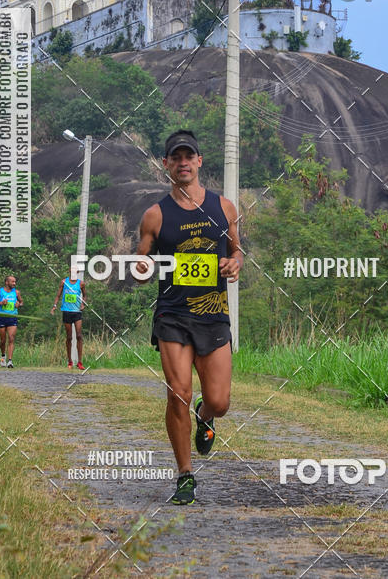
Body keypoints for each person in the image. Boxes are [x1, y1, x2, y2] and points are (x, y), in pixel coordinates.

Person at [136, 129, 243, 505]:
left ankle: (206, 416)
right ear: (166, 165)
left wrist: (234, 264)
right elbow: (142, 258)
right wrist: (142, 267)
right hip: (173, 315)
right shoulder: (155, 214)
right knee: (177, 393)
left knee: (220, 401)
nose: (183, 163)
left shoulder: (224, 207)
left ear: (199, 162)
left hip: (213, 315)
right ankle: (185, 476)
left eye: (189, 157)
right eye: (175, 158)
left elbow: (237, 251)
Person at [51, 274, 86, 370]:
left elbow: (85, 295)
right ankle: (70, 361)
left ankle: (79, 362)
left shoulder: (81, 283)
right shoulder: (63, 282)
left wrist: (83, 304)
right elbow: (58, 295)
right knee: (69, 337)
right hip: (66, 311)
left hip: (77, 312)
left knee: (79, 336)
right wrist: (54, 306)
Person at [0, 276, 22, 368]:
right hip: (2, 317)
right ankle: (3, 357)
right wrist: (1, 303)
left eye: (15, 282)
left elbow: (21, 302)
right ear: (6, 282)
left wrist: (19, 304)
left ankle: (10, 361)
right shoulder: (0, 291)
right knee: (3, 340)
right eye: (12, 282)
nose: (14, 283)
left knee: (11, 338)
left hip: (12, 317)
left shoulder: (16, 292)